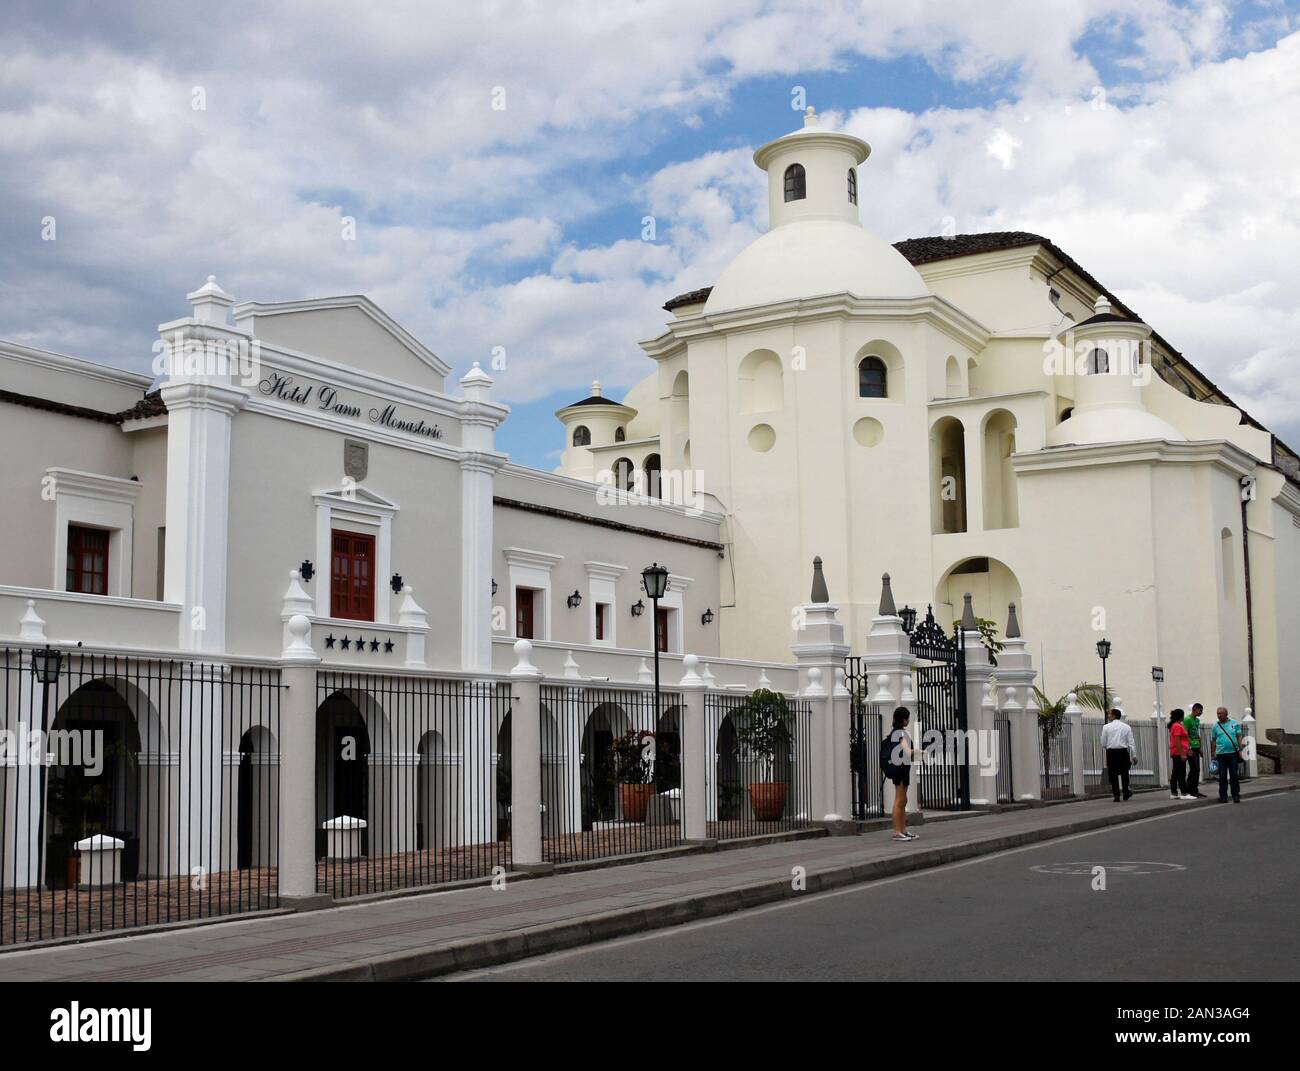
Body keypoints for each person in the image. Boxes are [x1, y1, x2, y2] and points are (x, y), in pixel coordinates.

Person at [883, 706, 917, 841]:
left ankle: (903, 830)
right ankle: (897, 831)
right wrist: (921, 753)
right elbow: (908, 752)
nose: (908, 721)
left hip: (901, 768)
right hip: (901, 770)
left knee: (903, 800)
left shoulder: (896, 733)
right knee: (900, 800)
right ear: (903, 720)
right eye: (907, 718)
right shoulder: (900, 734)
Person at [1100, 707, 1136, 801]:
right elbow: (1131, 743)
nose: (1108, 716)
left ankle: (1116, 794)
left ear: (1114, 716)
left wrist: (1108, 746)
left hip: (1111, 752)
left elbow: (1103, 742)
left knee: (1113, 774)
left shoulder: (1106, 727)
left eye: (1110, 714)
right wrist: (1134, 755)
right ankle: (1125, 792)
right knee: (1124, 773)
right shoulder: (1127, 727)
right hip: (1123, 752)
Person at [1209, 706, 1244, 804]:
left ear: (1226, 714)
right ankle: (1223, 796)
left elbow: (1239, 735)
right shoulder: (1215, 726)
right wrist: (1213, 753)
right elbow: (1213, 740)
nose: (1219, 716)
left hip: (1233, 753)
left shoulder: (1234, 723)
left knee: (1234, 775)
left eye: (1221, 713)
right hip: (1221, 754)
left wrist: (1240, 746)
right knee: (1222, 776)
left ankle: (1236, 795)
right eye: (1218, 714)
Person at [1167, 708, 1193, 799]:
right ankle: (1184, 793)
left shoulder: (1176, 725)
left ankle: (1174, 793)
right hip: (1178, 752)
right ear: (1180, 716)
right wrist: (1182, 753)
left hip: (1178, 752)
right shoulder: (1177, 726)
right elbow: (1177, 741)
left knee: (1176, 773)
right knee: (1181, 773)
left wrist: (1187, 749)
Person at [1185, 702, 1206, 798]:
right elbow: (1185, 735)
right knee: (1194, 769)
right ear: (1195, 709)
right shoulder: (1187, 719)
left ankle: (1195, 790)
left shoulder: (1197, 721)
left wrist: (1200, 748)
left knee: (1197, 770)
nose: (1201, 712)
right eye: (1200, 710)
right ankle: (1190, 790)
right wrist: (1188, 747)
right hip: (1191, 748)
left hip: (1197, 747)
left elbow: (1196, 734)